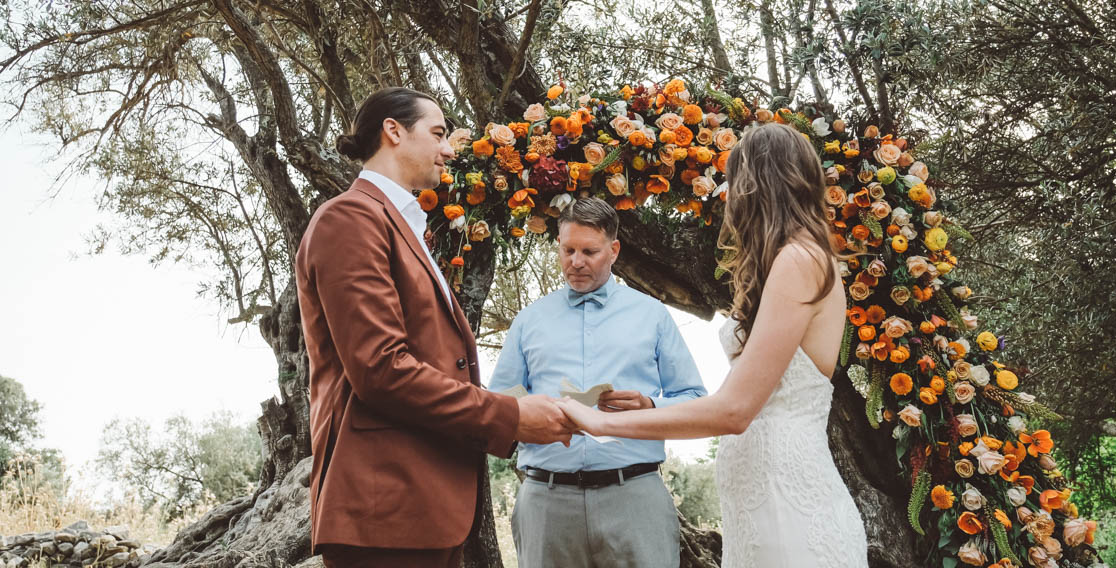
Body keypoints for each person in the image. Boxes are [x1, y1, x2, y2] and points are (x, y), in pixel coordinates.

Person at [557, 123, 869, 568]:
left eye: (735, 181)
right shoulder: (794, 260)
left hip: (790, 514)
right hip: (761, 512)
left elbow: (734, 410)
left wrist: (600, 424)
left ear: (756, 185)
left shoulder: (800, 260)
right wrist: (651, 409)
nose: (730, 196)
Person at [295, 87, 575, 568]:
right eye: (439, 133)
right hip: (386, 509)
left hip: (423, 504)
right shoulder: (350, 218)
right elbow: (382, 369)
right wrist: (509, 416)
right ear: (393, 131)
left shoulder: (402, 223)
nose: (449, 149)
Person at [490, 197, 708, 568]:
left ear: (614, 250)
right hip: (546, 500)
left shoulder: (652, 315)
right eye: (568, 250)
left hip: (635, 499)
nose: (576, 262)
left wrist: (650, 406)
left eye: (589, 251)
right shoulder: (528, 321)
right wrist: (524, 417)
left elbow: (695, 401)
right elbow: (497, 405)